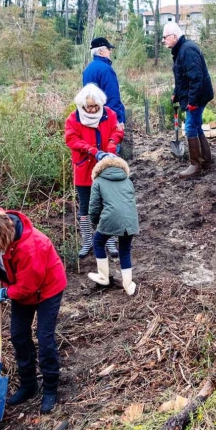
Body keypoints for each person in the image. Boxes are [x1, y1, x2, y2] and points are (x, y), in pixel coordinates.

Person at [0, 206, 67, 414]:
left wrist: (6, 293)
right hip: (19, 286)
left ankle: (50, 388)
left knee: (44, 338)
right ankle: (29, 384)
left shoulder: (31, 247)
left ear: (4, 238)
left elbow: (28, 287)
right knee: (18, 336)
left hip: (46, 288)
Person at [65, 83, 124, 259]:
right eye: (88, 106)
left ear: (100, 104)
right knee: (85, 206)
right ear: (82, 104)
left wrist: (113, 142)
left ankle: (110, 240)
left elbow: (117, 131)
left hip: (106, 167)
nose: (91, 110)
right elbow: (71, 139)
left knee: (109, 203)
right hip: (84, 168)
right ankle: (87, 241)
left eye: (95, 106)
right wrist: (91, 150)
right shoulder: (73, 118)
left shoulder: (109, 114)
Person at [163, 23, 214, 179]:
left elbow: (196, 78)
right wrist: (176, 94)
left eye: (165, 37)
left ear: (174, 36)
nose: (164, 40)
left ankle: (195, 165)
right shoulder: (180, 50)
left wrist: (192, 102)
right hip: (196, 95)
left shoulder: (187, 50)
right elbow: (182, 78)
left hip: (198, 96)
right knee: (196, 126)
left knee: (191, 127)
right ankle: (205, 160)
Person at [86, 153, 139, 296]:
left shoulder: (98, 181)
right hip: (130, 220)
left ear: (100, 167)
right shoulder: (127, 180)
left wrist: (95, 221)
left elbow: (94, 206)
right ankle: (128, 285)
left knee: (97, 242)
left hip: (110, 218)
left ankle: (103, 277)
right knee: (125, 250)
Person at [83, 37, 126, 129]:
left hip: (92, 117)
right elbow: (112, 96)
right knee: (112, 143)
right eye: (108, 49)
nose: (110, 52)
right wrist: (118, 119)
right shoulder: (105, 69)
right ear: (100, 51)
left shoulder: (88, 69)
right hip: (107, 119)